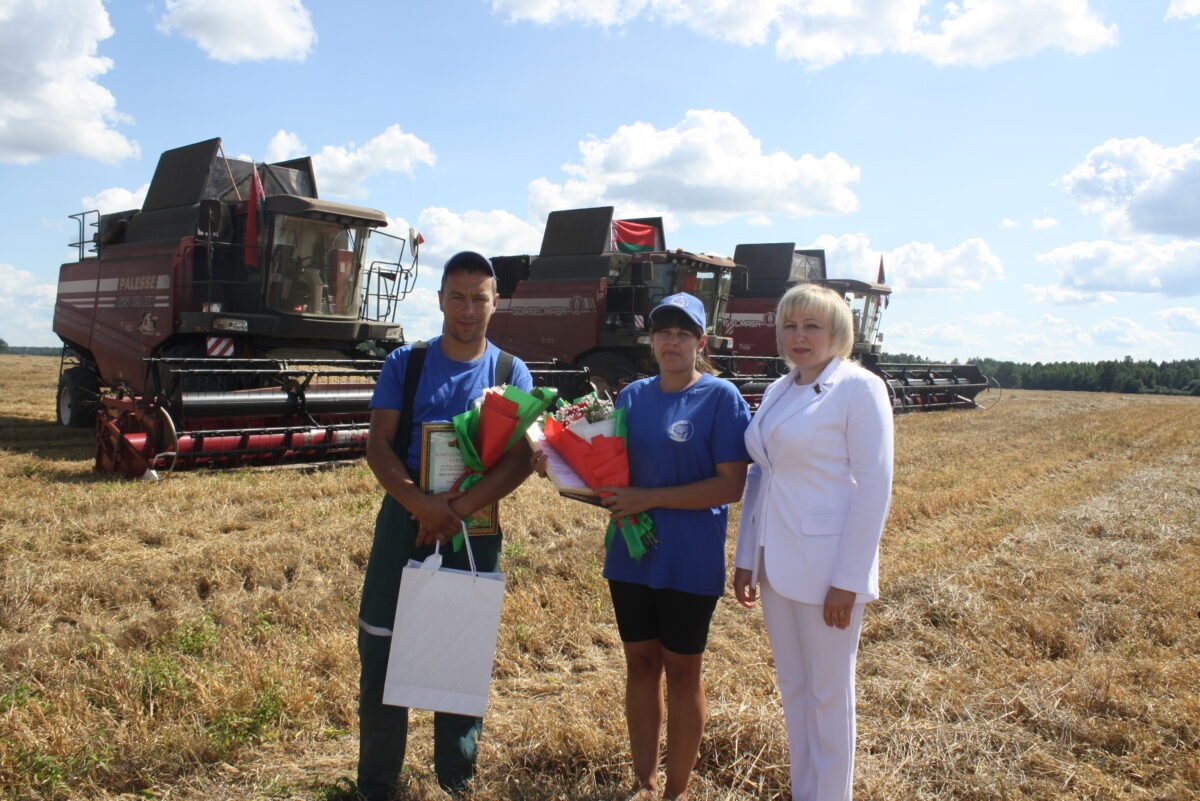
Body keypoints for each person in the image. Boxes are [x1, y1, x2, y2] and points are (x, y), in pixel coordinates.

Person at [541, 292, 751, 801]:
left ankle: (675, 791)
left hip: (690, 558)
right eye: (663, 332)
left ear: (700, 342)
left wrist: (647, 498)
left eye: (683, 334)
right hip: (631, 555)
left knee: (682, 671)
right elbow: (608, 475)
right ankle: (643, 781)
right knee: (639, 665)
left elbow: (730, 487)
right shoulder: (632, 396)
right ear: (650, 340)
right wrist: (556, 466)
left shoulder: (721, 398)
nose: (672, 342)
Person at [357, 250, 535, 799]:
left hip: (474, 523)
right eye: (456, 297)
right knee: (383, 645)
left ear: (495, 303)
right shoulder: (405, 364)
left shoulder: (511, 372)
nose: (467, 309)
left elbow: (520, 459)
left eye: (478, 298)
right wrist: (419, 503)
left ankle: (456, 778)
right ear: (439, 300)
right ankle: (378, 783)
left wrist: (453, 511)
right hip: (405, 514)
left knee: (460, 648)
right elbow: (378, 443)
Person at [732, 283, 894, 801]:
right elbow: (762, 474)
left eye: (812, 326)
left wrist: (848, 580)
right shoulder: (783, 389)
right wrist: (745, 557)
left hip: (827, 571)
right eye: (789, 326)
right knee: (796, 689)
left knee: (829, 694)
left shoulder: (858, 388)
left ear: (838, 333)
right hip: (776, 565)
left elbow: (874, 488)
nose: (798, 337)